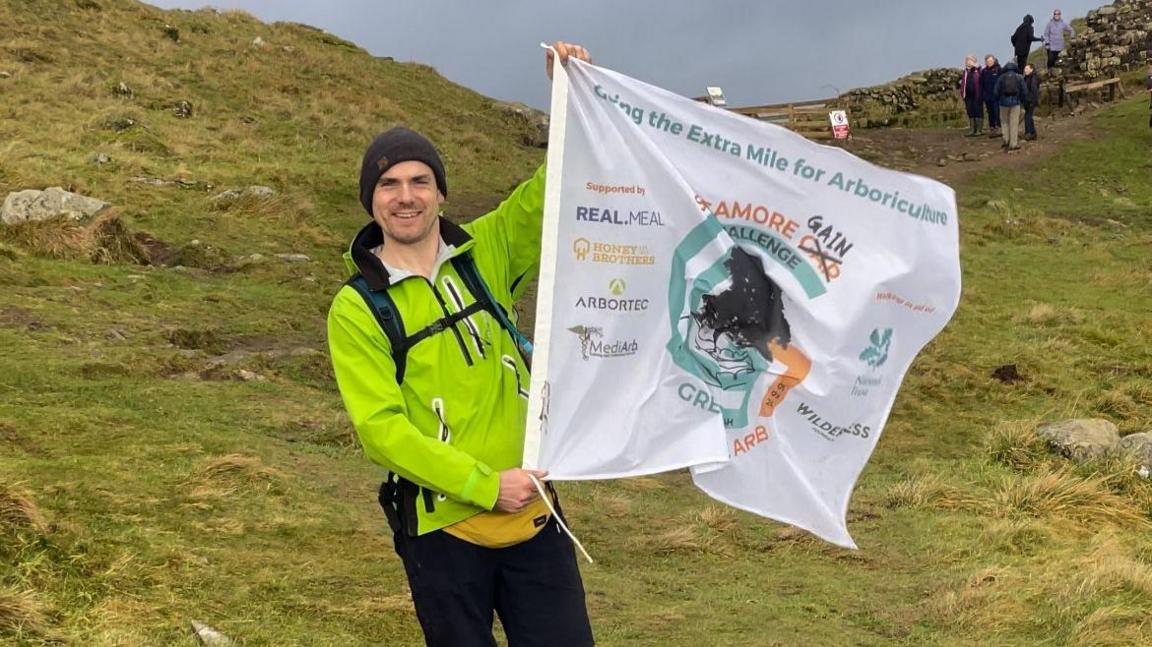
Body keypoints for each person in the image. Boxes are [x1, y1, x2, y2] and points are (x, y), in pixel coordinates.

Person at [326, 42, 595, 647]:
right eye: (389, 184)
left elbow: (549, 191)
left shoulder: (485, 252)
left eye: (420, 180)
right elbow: (381, 430)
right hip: (444, 538)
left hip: (536, 522)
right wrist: (484, 486)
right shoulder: (357, 307)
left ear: (441, 193)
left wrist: (568, 95)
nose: (406, 195)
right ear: (371, 199)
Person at [995, 61, 1028, 151]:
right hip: (1015, 103)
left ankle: (1006, 140)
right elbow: (1024, 91)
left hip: (1003, 103)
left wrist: (998, 100)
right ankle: (1013, 144)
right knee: (1014, 123)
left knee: (1004, 122)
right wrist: (1023, 101)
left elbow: (996, 91)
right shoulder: (1019, 77)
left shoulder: (1001, 78)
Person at [959, 55, 983, 137]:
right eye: (966, 60)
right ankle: (972, 129)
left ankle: (979, 130)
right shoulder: (965, 71)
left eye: (969, 60)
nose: (967, 62)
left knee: (978, 111)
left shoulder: (979, 70)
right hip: (968, 95)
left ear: (974, 61)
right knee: (970, 111)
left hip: (977, 94)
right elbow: (963, 83)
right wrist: (962, 93)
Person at [980, 55, 1002, 137]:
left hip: (997, 97)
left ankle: (999, 128)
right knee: (990, 113)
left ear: (994, 61)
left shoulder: (998, 69)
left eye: (990, 61)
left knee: (997, 112)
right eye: (987, 61)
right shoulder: (984, 71)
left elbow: (1002, 82)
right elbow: (981, 84)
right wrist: (983, 95)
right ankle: (992, 128)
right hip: (987, 97)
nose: (989, 63)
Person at [1022, 63, 1041, 140]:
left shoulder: (1033, 78)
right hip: (1027, 100)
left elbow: (1034, 90)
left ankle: (1028, 133)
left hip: (1030, 100)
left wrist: (1033, 101)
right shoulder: (1026, 78)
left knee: (1028, 117)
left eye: (1026, 69)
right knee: (1028, 116)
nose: (1025, 70)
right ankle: (1033, 133)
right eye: (1025, 69)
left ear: (1031, 69)